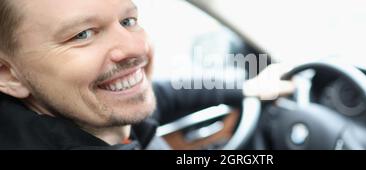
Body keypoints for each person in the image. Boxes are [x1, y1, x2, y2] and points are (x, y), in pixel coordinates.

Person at [0, 0, 294, 149]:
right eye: (83, 34)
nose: (136, 47)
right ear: (8, 75)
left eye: (128, 21)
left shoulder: (100, 113)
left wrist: (246, 88)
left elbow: (165, 93)